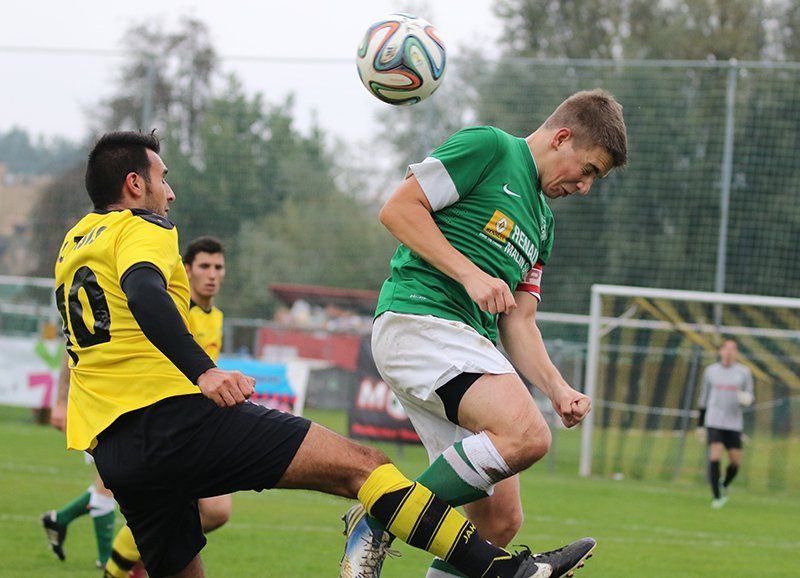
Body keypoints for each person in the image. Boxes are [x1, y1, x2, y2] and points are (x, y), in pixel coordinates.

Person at [55, 130, 586, 578]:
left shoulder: (75, 243)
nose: (169, 193)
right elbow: (145, 292)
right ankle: (508, 573)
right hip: (172, 418)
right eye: (163, 178)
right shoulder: (140, 226)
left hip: (115, 449)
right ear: (135, 185)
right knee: (366, 469)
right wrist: (205, 371)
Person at [341, 89, 628, 578]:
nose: (584, 187)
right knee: (526, 436)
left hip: (463, 344)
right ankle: (378, 518)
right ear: (562, 138)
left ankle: (387, 516)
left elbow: (520, 320)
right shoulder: (489, 147)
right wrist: (470, 274)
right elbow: (399, 209)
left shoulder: (543, 224)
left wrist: (557, 388)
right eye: (588, 170)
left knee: (499, 521)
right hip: (419, 319)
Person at [104, 236, 229, 578]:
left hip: (199, 421)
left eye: (218, 267)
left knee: (211, 511)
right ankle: (122, 566)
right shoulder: (174, 311)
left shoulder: (216, 316)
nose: (212, 274)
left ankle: (135, 561)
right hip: (167, 421)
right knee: (201, 509)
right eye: (204, 266)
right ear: (187, 270)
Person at [42, 352, 117, 569]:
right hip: (100, 405)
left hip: (128, 403)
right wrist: (60, 401)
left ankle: (59, 519)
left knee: (118, 483)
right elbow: (68, 348)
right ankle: (108, 562)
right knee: (108, 485)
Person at [697, 338, 754, 509]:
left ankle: (724, 484)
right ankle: (716, 497)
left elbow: (749, 395)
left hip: (733, 422)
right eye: (726, 348)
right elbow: (704, 397)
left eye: (732, 349)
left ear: (736, 352)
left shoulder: (743, 372)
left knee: (735, 462)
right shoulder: (711, 371)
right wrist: (700, 424)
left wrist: (746, 399)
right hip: (714, 420)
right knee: (715, 455)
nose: (729, 352)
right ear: (720, 351)